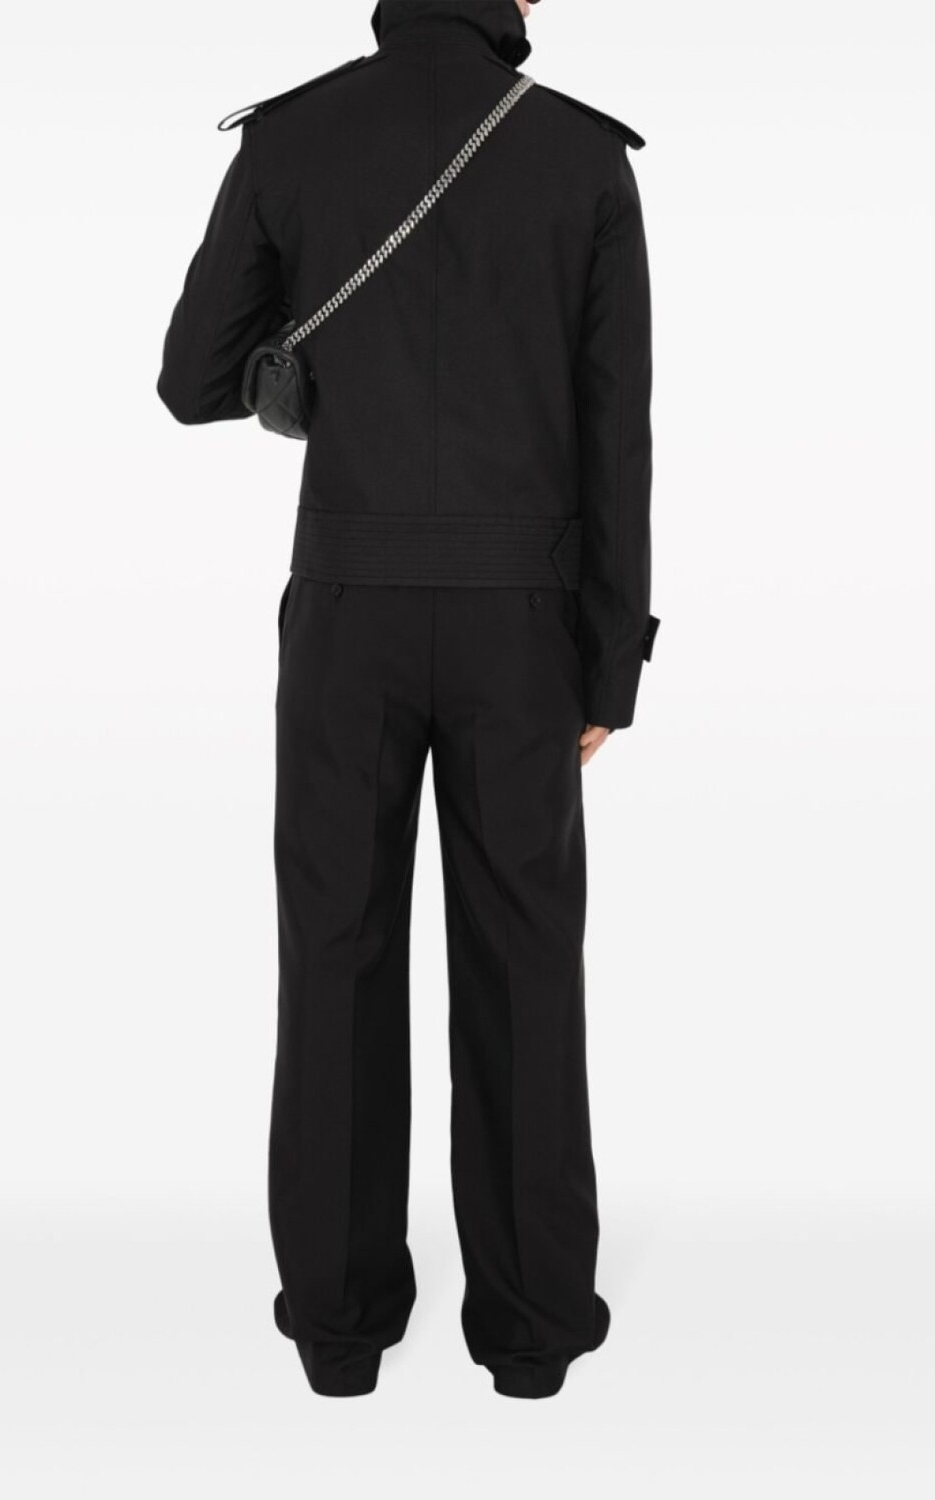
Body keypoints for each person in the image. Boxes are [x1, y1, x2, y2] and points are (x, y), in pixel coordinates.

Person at [157, 0, 660, 1400]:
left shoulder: (292, 137)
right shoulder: (579, 158)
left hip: (348, 616)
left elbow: (189, 381)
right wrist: (609, 662)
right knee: (524, 966)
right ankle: (532, 1332)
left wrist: (298, 364)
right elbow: (615, 434)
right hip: (524, 631)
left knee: (334, 957)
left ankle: (337, 1327)